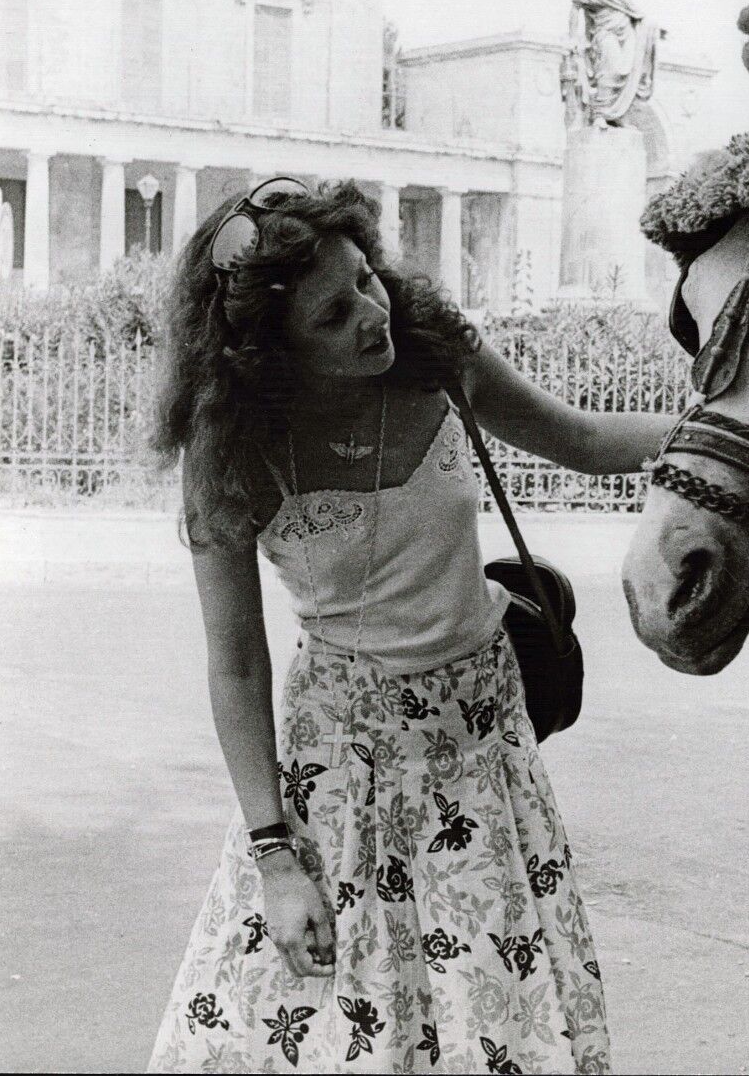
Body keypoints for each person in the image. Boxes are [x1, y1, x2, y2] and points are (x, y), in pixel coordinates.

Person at [147, 178, 671, 1073]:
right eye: (329, 316)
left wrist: (734, 442)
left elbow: (582, 440)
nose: (369, 314)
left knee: (497, 1026)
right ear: (272, 355)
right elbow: (235, 664)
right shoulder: (235, 446)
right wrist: (276, 859)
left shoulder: (437, 358)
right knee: (338, 1032)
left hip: (483, 757)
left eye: (363, 279)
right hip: (340, 777)